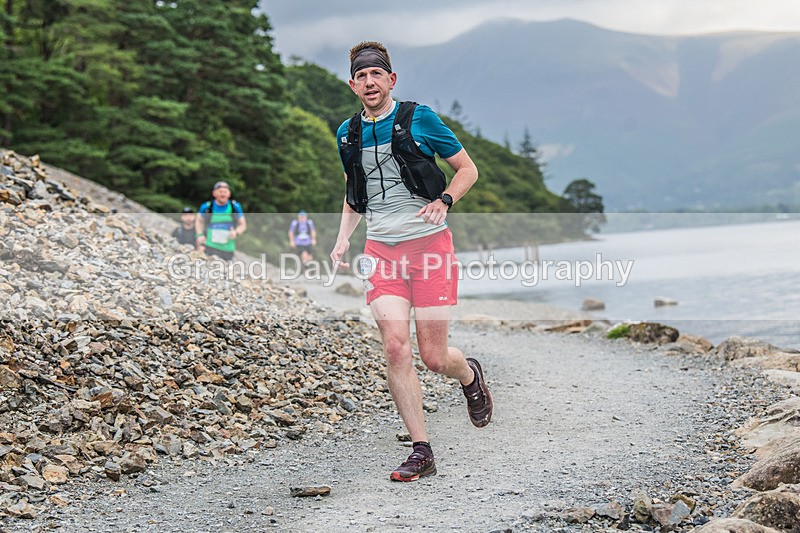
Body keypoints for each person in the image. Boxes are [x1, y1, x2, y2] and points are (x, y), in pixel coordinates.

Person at [330, 41, 492, 482]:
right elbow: (354, 194)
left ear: (391, 79)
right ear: (352, 85)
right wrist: (343, 239)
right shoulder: (347, 133)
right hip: (381, 252)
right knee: (395, 347)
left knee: (435, 357)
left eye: (376, 74)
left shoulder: (420, 119)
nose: (369, 82)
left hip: (429, 249)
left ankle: (468, 375)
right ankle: (422, 449)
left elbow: (468, 170)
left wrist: (445, 200)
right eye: (361, 76)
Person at [195, 181, 246, 261]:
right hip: (209, 245)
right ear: (214, 193)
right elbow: (198, 221)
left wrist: (236, 232)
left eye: (225, 192)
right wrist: (199, 235)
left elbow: (243, 225)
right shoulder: (207, 207)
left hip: (228, 248)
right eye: (220, 192)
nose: (223, 194)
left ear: (229, 194)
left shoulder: (235, 207)